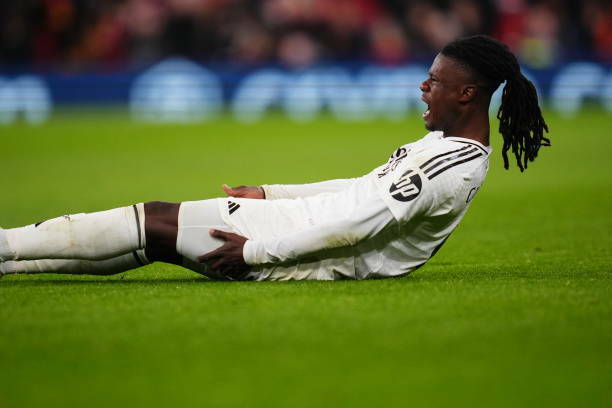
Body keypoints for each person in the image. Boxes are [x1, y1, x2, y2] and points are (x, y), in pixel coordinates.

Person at [0, 35, 550, 281]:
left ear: (466, 94)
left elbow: (358, 224)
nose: (422, 88)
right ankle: (11, 261)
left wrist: (256, 251)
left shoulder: (446, 165)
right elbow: (360, 188)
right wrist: (272, 193)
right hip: (299, 230)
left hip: (302, 253)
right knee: (156, 240)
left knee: (153, 219)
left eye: (434, 81)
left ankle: (7, 244)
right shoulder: (445, 148)